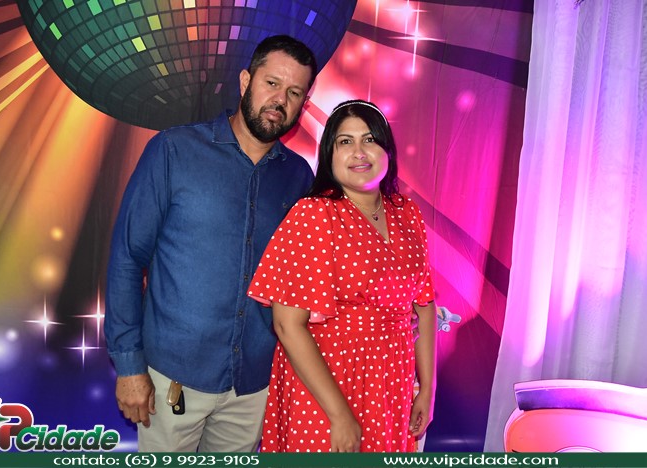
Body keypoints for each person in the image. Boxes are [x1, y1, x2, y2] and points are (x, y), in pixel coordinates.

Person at [104, 35, 317, 452]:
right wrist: (129, 365)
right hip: (173, 378)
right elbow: (127, 259)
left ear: (303, 104)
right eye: (272, 83)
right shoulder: (174, 151)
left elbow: (303, 282)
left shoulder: (298, 178)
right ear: (245, 81)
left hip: (253, 386)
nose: (280, 100)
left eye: (294, 92)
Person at [248, 99, 437, 452]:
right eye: (345, 141)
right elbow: (287, 325)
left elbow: (424, 304)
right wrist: (339, 415)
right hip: (327, 384)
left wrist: (427, 388)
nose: (359, 152)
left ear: (387, 150)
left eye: (369, 139)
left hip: (391, 383)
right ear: (330, 155)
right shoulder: (314, 214)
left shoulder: (407, 213)